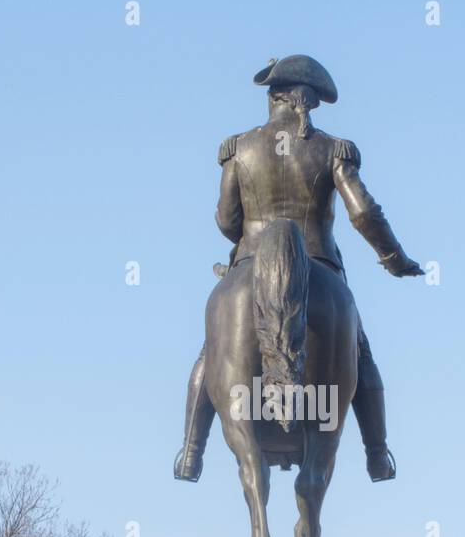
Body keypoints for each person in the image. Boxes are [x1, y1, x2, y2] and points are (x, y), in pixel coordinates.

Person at [174, 54, 423, 482]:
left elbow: (226, 221)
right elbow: (363, 213)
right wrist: (394, 257)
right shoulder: (332, 150)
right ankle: (377, 454)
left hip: (251, 258)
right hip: (320, 264)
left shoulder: (239, 148)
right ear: (305, 101)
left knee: (211, 350)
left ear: (282, 99)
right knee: (360, 355)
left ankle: (191, 452)